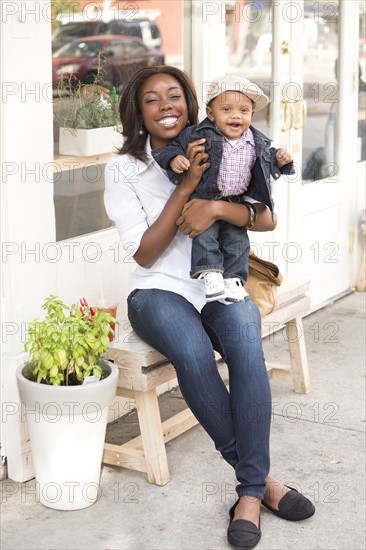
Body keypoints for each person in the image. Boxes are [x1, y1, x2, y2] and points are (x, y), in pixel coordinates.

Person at [104, 66, 315, 549]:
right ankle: (261, 486)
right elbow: (145, 253)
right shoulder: (125, 168)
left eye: (174, 95)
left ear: (192, 101)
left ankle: (248, 490)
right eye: (152, 100)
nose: (166, 106)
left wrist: (218, 208)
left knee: (246, 348)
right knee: (194, 354)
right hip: (158, 290)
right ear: (138, 111)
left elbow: (265, 218)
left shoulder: (221, 142)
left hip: (221, 284)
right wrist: (188, 188)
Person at [151, 75, 293, 304]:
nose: (236, 115)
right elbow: (171, 147)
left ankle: (234, 280)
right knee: (205, 235)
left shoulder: (257, 142)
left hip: (236, 200)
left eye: (244, 110)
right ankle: (210, 274)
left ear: (251, 115)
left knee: (237, 241)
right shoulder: (199, 134)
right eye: (226, 109)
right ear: (211, 113)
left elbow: (270, 162)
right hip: (205, 196)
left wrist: (282, 160)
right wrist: (174, 158)